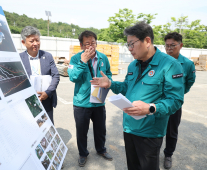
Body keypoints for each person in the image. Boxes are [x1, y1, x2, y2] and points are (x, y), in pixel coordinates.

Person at [91, 22, 184, 170]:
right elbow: (126, 87)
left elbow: (176, 100)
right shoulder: (133, 65)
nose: (129, 49)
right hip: (129, 127)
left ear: (147, 41)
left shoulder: (170, 65)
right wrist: (110, 84)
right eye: (127, 45)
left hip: (149, 132)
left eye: (132, 44)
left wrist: (151, 108)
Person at [67, 30, 113, 167]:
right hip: (82, 102)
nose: (91, 46)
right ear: (81, 45)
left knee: (100, 129)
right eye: (87, 43)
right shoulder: (75, 59)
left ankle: (101, 150)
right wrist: (83, 61)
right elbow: (73, 77)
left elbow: (109, 74)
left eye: (93, 42)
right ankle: (82, 153)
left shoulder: (103, 58)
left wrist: (107, 81)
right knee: (82, 131)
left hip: (98, 99)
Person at [163, 32, 196, 169]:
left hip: (174, 104)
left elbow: (189, 81)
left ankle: (168, 155)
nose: (169, 48)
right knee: (155, 128)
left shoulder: (187, 64)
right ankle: (152, 152)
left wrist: (180, 94)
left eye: (173, 45)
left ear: (180, 45)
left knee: (171, 130)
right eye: (167, 46)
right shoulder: (161, 61)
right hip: (158, 101)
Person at [20, 26, 60, 125]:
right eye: (32, 41)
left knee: (48, 126)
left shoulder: (47, 56)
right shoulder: (19, 58)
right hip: (28, 100)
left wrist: (48, 92)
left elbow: (56, 76)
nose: (35, 43)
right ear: (23, 42)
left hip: (46, 98)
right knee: (31, 127)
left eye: (37, 40)